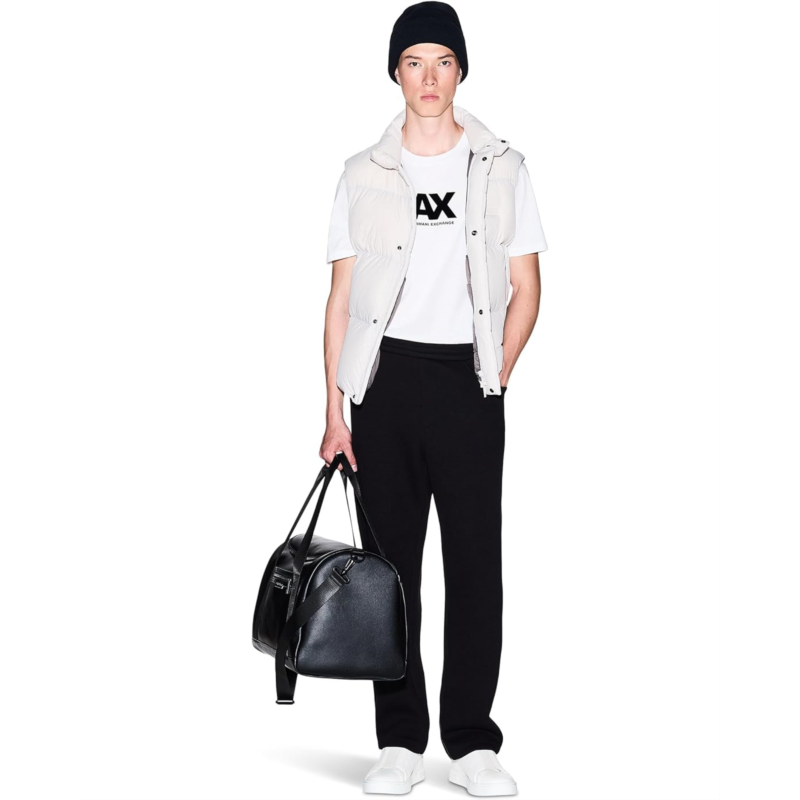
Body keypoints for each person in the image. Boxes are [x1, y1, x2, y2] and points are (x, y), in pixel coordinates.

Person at [320, 2, 547, 795]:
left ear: (460, 71)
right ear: (396, 72)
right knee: (390, 572)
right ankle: (399, 741)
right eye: (414, 61)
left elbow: (527, 286)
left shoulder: (504, 168)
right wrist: (334, 409)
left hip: (467, 382)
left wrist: (497, 373)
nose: (428, 77)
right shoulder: (362, 173)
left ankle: (472, 741)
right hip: (385, 385)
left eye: (442, 61)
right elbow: (341, 300)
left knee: (476, 565)